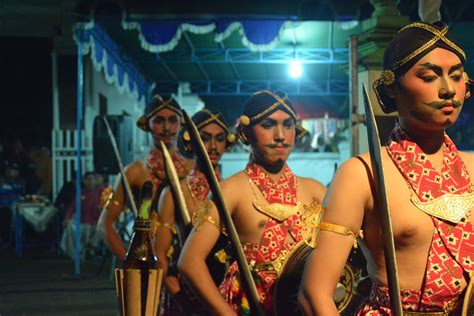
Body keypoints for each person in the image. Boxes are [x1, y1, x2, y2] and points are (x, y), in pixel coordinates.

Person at [298, 21, 474, 315]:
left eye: (456, 77)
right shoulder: (361, 174)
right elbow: (314, 294)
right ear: (392, 86)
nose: (447, 90)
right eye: (430, 76)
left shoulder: (473, 166)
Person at [178, 90, 327, 315]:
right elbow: (189, 261)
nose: (280, 135)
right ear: (246, 133)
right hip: (249, 307)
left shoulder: (316, 190)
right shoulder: (230, 191)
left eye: (287, 125)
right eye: (268, 125)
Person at [155, 109, 237, 315]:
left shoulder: (235, 190)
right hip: (185, 292)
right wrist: (178, 295)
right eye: (205, 139)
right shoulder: (174, 192)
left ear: (227, 144)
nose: (213, 146)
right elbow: (159, 255)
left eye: (219, 139)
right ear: (190, 144)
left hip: (225, 291)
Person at [98, 95, 193, 261]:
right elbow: (104, 224)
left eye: (173, 120)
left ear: (181, 123)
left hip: (187, 258)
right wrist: (129, 261)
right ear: (147, 125)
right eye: (158, 121)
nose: (166, 128)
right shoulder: (134, 172)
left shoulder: (192, 169)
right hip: (149, 258)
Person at [60, 171, 102, 259]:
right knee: (70, 226)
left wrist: (101, 210)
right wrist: (66, 218)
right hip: (82, 221)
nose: (90, 181)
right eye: (88, 179)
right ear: (84, 181)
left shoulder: (101, 193)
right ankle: (76, 254)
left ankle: (91, 248)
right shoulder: (81, 193)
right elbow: (72, 207)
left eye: (92, 179)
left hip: (97, 222)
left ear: (95, 181)